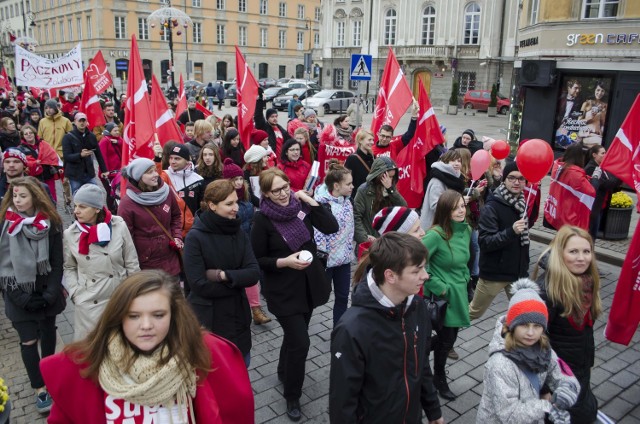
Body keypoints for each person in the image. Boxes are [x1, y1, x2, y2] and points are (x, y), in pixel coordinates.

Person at [40, 269, 255, 423]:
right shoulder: (84, 367)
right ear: (118, 317)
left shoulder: (204, 354)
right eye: (133, 316)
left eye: (158, 315)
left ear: (174, 314)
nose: (145, 326)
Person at [250, 168, 338, 421]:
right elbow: (258, 259)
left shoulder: (301, 207)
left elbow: (331, 227)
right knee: (301, 342)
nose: (282, 193)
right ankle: (292, 395)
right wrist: (284, 262)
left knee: (294, 335)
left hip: (308, 286)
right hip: (283, 290)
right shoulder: (263, 220)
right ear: (265, 194)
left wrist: (311, 201)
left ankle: (282, 369)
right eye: (275, 190)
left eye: (285, 186)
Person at [330, 233, 443, 424]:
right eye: (416, 271)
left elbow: (421, 364)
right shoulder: (352, 329)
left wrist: (433, 410)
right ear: (390, 275)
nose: (425, 276)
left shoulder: (417, 307)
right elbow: (342, 401)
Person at [0, 177, 65, 414]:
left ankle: (49, 376)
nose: (17, 200)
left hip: (45, 290)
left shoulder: (51, 223)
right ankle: (39, 388)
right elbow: (2, 266)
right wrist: (19, 296)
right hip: (17, 292)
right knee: (28, 340)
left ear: (36, 197)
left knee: (48, 335)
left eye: (23, 196)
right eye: (15, 196)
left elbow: (58, 261)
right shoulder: (4, 223)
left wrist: (50, 292)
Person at [477, 279, 580, 424]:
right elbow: (509, 414)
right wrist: (549, 407)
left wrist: (566, 391)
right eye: (524, 325)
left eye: (537, 326)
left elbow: (564, 374)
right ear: (512, 325)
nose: (531, 333)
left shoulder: (544, 348)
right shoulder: (500, 364)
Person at [183, 179, 261, 365]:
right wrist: (237, 282)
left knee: (242, 367)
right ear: (212, 205)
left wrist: (222, 276)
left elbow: (253, 273)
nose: (236, 208)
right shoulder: (195, 237)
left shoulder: (238, 232)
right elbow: (198, 284)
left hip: (237, 317)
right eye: (229, 204)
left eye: (235, 201)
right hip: (209, 320)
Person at [533, 225, 602, 423]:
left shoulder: (586, 282)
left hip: (579, 370)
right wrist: (545, 389)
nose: (582, 258)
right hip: (557, 378)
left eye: (586, 251)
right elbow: (534, 343)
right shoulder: (548, 292)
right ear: (560, 253)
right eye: (573, 251)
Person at [63, 184, 140, 340]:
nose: (76, 211)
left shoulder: (118, 225)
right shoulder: (70, 234)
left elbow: (131, 261)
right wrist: (76, 293)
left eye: (82, 207)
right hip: (89, 301)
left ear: (97, 208)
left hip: (119, 297)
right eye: (75, 206)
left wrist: (134, 292)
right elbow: (69, 267)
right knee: (93, 350)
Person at [422, 190, 471, 400]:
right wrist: (439, 286)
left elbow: (465, 260)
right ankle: (438, 378)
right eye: (455, 207)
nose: (461, 210)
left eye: (462, 205)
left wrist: (467, 277)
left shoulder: (466, 230)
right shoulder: (434, 235)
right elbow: (417, 262)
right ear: (445, 210)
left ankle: (417, 353)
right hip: (443, 296)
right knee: (447, 339)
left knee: (449, 338)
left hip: (459, 292)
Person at [469, 161, 531, 320]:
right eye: (512, 178)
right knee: (473, 313)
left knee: (524, 314)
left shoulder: (522, 203)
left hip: (517, 274)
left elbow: (524, 243)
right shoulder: (492, 206)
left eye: (521, 179)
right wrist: (511, 231)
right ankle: (445, 337)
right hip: (494, 274)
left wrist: (524, 264)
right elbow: (485, 242)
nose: (517, 182)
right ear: (504, 180)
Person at [222, 158, 272, 325]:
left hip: (248, 239)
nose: (237, 182)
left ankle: (256, 310)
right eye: (234, 180)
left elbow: (260, 204)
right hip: (232, 242)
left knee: (252, 275)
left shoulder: (246, 194)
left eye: (239, 179)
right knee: (239, 277)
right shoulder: (225, 199)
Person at [118, 158, 183, 280]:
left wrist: (177, 236)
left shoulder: (167, 191)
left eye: (154, 170)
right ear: (138, 177)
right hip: (147, 264)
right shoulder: (127, 203)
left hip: (170, 259)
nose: (155, 175)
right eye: (149, 172)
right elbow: (126, 238)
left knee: (174, 296)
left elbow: (176, 216)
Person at [314, 160, 354, 326]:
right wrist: (323, 258)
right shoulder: (321, 204)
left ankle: (339, 330)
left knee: (343, 297)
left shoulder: (347, 201)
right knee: (319, 297)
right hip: (328, 262)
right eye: (349, 183)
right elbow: (318, 234)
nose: (352, 186)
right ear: (336, 186)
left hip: (344, 260)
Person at [353, 156, 407, 247]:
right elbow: (356, 217)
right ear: (379, 175)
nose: (391, 180)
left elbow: (403, 208)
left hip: (389, 243)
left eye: (393, 177)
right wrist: (365, 238)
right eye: (388, 176)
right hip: (371, 243)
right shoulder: (364, 190)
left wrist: (390, 190)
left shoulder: (390, 189)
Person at [543, 142, 597, 232]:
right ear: (580, 157)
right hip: (568, 215)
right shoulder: (575, 173)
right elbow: (591, 192)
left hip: (556, 209)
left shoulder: (557, 166)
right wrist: (595, 178)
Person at [158, 143, 205, 236]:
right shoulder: (165, 175)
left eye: (177, 158)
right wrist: (157, 158)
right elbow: (155, 181)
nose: (173, 161)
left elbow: (202, 207)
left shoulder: (198, 179)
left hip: (194, 231)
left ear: (187, 160)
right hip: (172, 231)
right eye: (171, 158)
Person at [62, 112, 109, 195]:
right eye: (80, 121)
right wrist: (80, 155)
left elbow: (98, 154)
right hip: (75, 174)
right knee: (78, 197)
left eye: (84, 121)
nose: (82, 123)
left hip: (89, 173)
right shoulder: (68, 137)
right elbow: (67, 156)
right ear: (75, 122)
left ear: (87, 122)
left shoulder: (91, 136)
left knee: (95, 194)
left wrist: (104, 170)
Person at [420, 149, 466, 229]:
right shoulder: (437, 181)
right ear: (445, 161)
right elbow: (434, 206)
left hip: (446, 224)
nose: (456, 163)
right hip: (434, 226)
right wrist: (456, 203)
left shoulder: (455, 178)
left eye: (459, 161)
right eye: (452, 160)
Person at [584, 144, 620, 240]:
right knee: (590, 235)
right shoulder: (591, 168)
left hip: (600, 206)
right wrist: (620, 176)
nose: (605, 155)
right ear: (594, 155)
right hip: (593, 208)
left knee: (593, 235)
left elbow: (610, 182)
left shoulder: (602, 167)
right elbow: (606, 184)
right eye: (602, 153)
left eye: (606, 152)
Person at [17, 124, 60, 202]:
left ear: (34, 133)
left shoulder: (43, 144)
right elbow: (23, 163)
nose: (29, 135)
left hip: (47, 176)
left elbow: (52, 156)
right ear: (23, 136)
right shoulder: (21, 149)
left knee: (51, 198)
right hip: (33, 178)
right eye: (26, 134)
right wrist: (34, 163)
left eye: (30, 133)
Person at [344, 128, 375, 200]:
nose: (372, 142)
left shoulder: (373, 157)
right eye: (369, 140)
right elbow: (346, 181)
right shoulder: (352, 159)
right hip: (357, 199)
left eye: (373, 140)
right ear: (360, 140)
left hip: (371, 198)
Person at [579, 81, 608, 147]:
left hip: (597, 135)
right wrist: (590, 117)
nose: (600, 93)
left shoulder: (605, 105)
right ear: (594, 90)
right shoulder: (586, 103)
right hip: (586, 135)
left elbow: (603, 124)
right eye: (598, 90)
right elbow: (578, 121)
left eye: (602, 91)